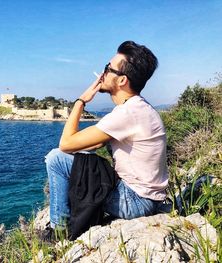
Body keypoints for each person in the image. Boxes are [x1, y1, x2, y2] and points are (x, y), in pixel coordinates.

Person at [45, 40, 168, 232]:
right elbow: (89, 146)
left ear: (122, 80)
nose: (102, 74)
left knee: (56, 159)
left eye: (108, 69)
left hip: (136, 201)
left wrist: (81, 101)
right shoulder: (139, 108)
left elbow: (66, 144)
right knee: (85, 160)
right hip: (149, 198)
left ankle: (57, 230)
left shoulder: (127, 114)